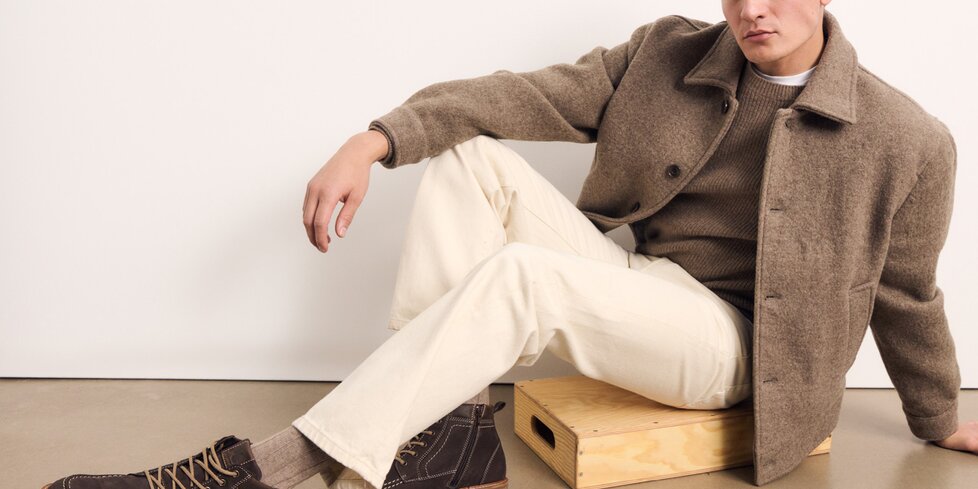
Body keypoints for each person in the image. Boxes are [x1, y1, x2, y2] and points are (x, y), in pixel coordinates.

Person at [42, 1, 976, 488]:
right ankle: (443, 441)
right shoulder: (669, 54)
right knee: (471, 160)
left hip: (738, 346)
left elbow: (907, 292)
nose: (751, 11)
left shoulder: (907, 139)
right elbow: (520, 94)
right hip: (643, 281)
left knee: (526, 276)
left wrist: (938, 415)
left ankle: (271, 466)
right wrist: (375, 139)